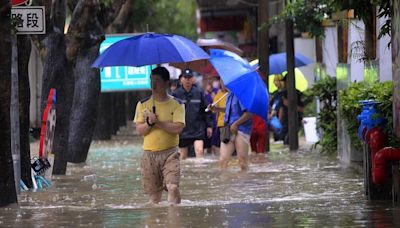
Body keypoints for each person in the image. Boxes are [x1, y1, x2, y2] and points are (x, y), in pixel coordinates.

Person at [133, 66, 185, 205]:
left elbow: (178, 128)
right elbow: (139, 130)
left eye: (157, 81)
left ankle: (174, 220)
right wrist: (149, 123)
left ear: (167, 83)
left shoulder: (177, 104)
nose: (153, 84)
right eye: (151, 80)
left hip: (170, 153)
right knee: (154, 199)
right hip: (149, 155)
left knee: (172, 187)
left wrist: (158, 122)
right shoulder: (143, 104)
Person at [173, 68, 213, 159]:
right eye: (185, 78)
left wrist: (209, 126)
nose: (187, 80)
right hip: (183, 130)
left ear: (193, 79)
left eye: (189, 78)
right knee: (183, 156)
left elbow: (206, 109)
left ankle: (199, 172)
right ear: (181, 79)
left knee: (199, 152)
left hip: (197, 129)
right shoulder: (176, 94)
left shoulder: (198, 93)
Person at [217, 90, 252, 171]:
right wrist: (216, 108)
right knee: (223, 160)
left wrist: (236, 124)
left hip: (241, 129)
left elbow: (249, 113)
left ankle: (244, 181)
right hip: (228, 130)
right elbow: (229, 110)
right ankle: (225, 182)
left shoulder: (242, 95)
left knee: (242, 161)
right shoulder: (229, 94)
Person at [279, 75, 305, 145]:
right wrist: (279, 122)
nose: (285, 84)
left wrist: (290, 105)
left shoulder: (298, 94)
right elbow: (281, 108)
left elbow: (303, 109)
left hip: (295, 121)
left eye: (286, 82)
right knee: (285, 141)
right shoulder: (283, 94)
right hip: (285, 122)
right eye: (284, 82)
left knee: (289, 140)